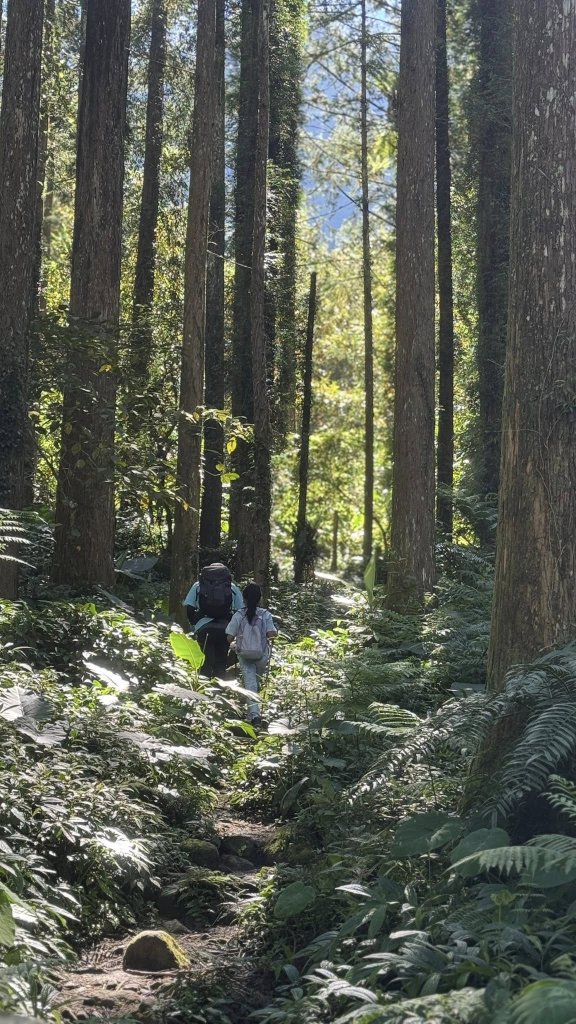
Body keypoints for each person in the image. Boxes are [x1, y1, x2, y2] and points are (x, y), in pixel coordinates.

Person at [226, 582, 277, 727]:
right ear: (260, 598)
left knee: (250, 684)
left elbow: (229, 637)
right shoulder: (265, 614)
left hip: (244, 655)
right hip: (261, 654)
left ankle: (254, 717)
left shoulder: (239, 615)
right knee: (256, 683)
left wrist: (236, 642)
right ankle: (253, 713)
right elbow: (271, 634)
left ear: (244, 599)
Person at [183, 562, 243, 679]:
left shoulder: (198, 586)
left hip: (204, 628)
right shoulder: (232, 587)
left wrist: (195, 623)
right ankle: (219, 692)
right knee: (221, 661)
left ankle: (203, 691)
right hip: (225, 629)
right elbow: (239, 611)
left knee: (205, 661)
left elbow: (189, 608)